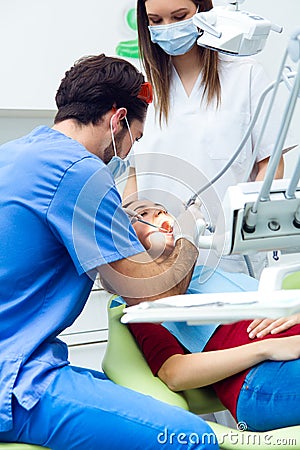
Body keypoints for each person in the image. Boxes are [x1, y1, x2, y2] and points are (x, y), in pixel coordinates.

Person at [0, 54, 219, 450]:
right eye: (131, 140)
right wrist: (187, 231)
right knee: (193, 437)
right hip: (16, 377)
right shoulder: (80, 172)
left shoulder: (14, 154)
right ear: (117, 120)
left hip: (23, 358)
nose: (123, 156)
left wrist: (125, 233)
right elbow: (150, 297)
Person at [123, 0, 296, 279]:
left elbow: (271, 166)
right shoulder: (141, 90)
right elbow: (133, 176)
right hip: (160, 265)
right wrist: (132, 242)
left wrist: (241, 229)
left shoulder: (246, 77)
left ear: (203, 11)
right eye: (155, 21)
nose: (168, 29)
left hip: (232, 260)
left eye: (179, 17)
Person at [117, 198, 300, 432]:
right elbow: (174, 373)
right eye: (143, 213)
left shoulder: (210, 276)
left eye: (161, 208)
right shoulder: (142, 304)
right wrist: (265, 349)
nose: (159, 213)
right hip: (258, 382)